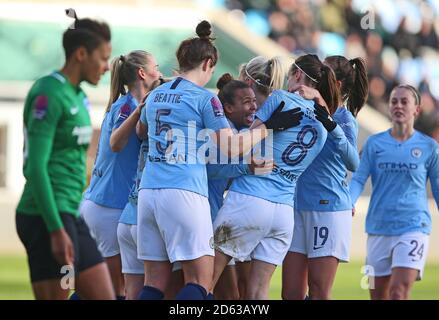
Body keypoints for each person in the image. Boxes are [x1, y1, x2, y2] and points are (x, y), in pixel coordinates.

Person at [136, 20, 302, 300]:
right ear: (207, 63)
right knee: (200, 282)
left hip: (148, 192)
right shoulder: (205, 98)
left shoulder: (156, 94)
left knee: (153, 284)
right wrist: (267, 126)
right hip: (185, 191)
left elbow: (142, 132)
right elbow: (233, 147)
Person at [211, 54, 340, 299]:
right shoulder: (324, 124)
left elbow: (243, 144)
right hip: (283, 212)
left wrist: (267, 126)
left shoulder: (278, 99)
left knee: (205, 278)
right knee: (258, 292)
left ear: (298, 75)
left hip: (248, 200)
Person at [15, 10, 115, 300]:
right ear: (81, 54)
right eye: (103, 58)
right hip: (48, 218)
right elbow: (35, 166)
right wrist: (56, 229)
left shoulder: (78, 96)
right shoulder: (48, 93)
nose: (107, 66)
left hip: (69, 213)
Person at [282, 56, 369, 300]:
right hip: (297, 207)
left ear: (336, 83)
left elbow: (354, 162)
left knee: (319, 292)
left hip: (327, 208)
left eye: (324, 73)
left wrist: (328, 121)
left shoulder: (343, 118)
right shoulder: (304, 108)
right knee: (290, 293)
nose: (317, 77)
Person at [80, 50, 161, 298]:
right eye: (156, 67)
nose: (159, 72)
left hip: (101, 204)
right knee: (117, 290)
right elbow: (116, 142)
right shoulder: (128, 106)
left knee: (98, 289)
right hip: (110, 207)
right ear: (142, 73)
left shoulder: (124, 104)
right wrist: (139, 111)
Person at [349, 84, 439, 300]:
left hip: (413, 227)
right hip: (378, 228)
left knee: (398, 292)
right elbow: (359, 178)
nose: (398, 105)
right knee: (378, 295)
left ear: (416, 109)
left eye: (404, 101)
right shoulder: (373, 143)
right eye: (394, 101)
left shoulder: (429, 147)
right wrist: (349, 202)